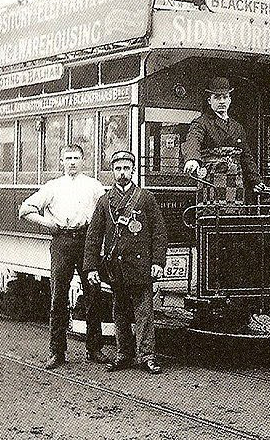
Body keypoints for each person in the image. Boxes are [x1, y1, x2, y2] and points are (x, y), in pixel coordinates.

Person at [18, 144, 109, 370]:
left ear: (84, 160)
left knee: (93, 294)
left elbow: (108, 214)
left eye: (76, 158)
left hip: (87, 243)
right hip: (61, 243)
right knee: (58, 297)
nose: (72, 162)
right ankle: (57, 352)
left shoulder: (94, 186)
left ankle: (94, 349)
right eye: (67, 158)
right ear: (61, 161)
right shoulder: (53, 187)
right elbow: (25, 210)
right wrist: (48, 223)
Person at [83, 150, 167, 374]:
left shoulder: (146, 198)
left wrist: (158, 261)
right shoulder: (104, 201)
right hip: (116, 266)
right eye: (118, 169)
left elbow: (159, 232)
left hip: (140, 266)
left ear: (133, 170)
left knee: (144, 312)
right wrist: (90, 267)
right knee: (119, 311)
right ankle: (123, 354)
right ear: (113, 172)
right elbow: (93, 236)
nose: (122, 173)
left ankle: (147, 355)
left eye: (126, 169)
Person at [182, 76, 266, 193]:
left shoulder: (237, 127)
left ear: (229, 100)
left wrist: (256, 181)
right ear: (209, 101)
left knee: (235, 210)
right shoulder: (201, 123)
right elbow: (193, 139)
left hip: (235, 181)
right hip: (210, 180)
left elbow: (246, 156)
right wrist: (192, 159)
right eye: (217, 97)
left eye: (225, 97)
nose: (221, 101)